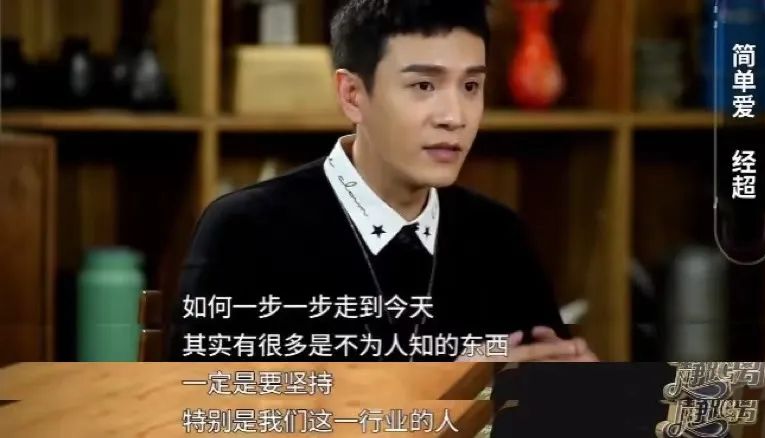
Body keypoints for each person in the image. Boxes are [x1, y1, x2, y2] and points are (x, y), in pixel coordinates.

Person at [167, 0, 597, 362]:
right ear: (352, 95)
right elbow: (194, 411)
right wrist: (448, 398)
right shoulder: (245, 231)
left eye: (471, 86)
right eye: (424, 85)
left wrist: (582, 393)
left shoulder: (499, 236)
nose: (454, 117)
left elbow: (549, 404)